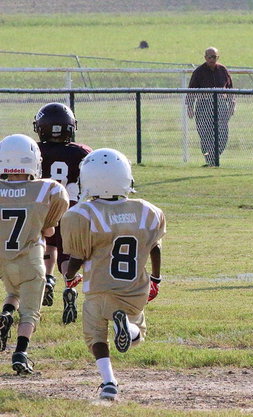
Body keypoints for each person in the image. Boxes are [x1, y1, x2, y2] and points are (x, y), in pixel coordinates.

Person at [61, 148, 165, 401]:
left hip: (99, 288)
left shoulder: (81, 214)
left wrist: (69, 276)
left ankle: (109, 382)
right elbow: (155, 247)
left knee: (95, 336)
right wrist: (156, 278)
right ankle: (127, 326)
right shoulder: (147, 211)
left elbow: (77, 256)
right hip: (134, 288)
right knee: (137, 335)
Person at [0, 134, 69, 374]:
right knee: (30, 311)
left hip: (3, 258)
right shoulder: (48, 189)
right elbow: (49, 228)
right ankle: (21, 352)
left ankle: (6, 313)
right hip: (31, 257)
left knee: (12, 292)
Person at [32, 102, 92, 310]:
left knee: (47, 243)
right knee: (68, 251)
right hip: (71, 207)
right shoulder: (81, 151)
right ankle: (69, 287)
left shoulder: (35, 150)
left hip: (41, 207)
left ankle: (47, 278)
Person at [185, 47, 235, 167]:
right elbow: (191, 90)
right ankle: (210, 159)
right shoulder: (199, 72)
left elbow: (230, 89)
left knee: (222, 134)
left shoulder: (223, 70)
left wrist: (232, 104)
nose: (212, 59)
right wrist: (190, 107)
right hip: (203, 105)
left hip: (220, 105)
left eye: (215, 57)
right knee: (205, 134)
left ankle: (213, 158)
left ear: (218, 57)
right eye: (210, 57)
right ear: (205, 57)